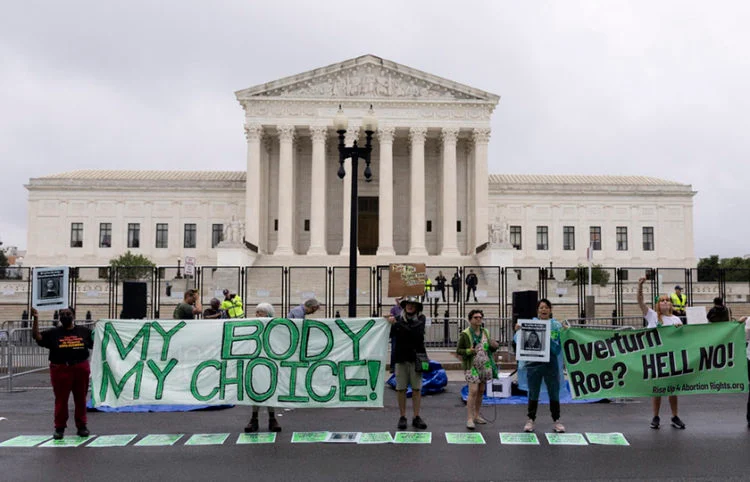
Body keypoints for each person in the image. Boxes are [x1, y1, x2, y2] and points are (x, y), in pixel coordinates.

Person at [32, 307, 93, 440]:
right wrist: (35, 318)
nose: (65, 316)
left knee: (81, 399)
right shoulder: (54, 333)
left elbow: (99, 341)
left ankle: (82, 426)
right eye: (62, 314)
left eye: (68, 314)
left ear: (74, 316)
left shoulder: (84, 331)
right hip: (60, 368)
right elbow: (37, 336)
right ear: (59, 317)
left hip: (80, 368)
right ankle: (59, 428)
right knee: (61, 400)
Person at [638, 277, 686, 429]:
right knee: (657, 389)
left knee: (672, 389)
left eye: (667, 300)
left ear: (671, 304)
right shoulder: (652, 315)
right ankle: (656, 416)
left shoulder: (676, 319)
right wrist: (640, 285)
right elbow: (640, 301)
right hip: (655, 358)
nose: (665, 302)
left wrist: (680, 330)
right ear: (658, 304)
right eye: (662, 300)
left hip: (671, 358)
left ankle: (675, 416)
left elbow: (682, 340)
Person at [515, 299, 565, 433]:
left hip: (551, 363)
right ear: (537, 310)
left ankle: (557, 420)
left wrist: (566, 332)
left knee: (553, 392)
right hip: (534, 364)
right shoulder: (531, 324)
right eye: (541, 308)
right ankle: (530, 420)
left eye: (546, 307)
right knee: (533, 392)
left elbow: (559, 346)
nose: (543, 310)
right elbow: (519, 341)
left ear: (550, 310)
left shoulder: (556, 326)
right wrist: (519, 331)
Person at [387, 296, 428, 430]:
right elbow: (391, 335)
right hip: (401, 357)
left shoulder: (421, 319)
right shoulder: (397, 319)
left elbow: (415, 332)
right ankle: (402, 416)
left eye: (413, 304)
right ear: (404, 306)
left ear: (417, 307)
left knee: (416, 388)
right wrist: (387, 323)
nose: (410, 306)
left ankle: (416, 416)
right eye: (408, 304)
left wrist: (396, 323)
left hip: (416, 358)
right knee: (401, 389)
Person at [457, 309, 498, 429]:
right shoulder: (465, 334)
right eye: (475, 317)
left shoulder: (485, 332)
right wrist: (469, 351)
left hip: (485, 365)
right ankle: (469, 418)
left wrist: (494, 346)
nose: (478, 319)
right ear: (470, 320)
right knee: (473, 391)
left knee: (481, 391)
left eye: (480, 317)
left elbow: (489, 348)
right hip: (472, 365)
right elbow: (459, 350)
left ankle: (476, 415)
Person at [245, 303, 282, 433]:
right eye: (257, 312)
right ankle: (254, 419)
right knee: (255, 392)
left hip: (269, 363)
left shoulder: (275, 327)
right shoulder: (254, 326)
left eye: (261, 312)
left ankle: (272, 418)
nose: (258, 315)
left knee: (270, 392)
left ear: (268, 314)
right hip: (255, 363)